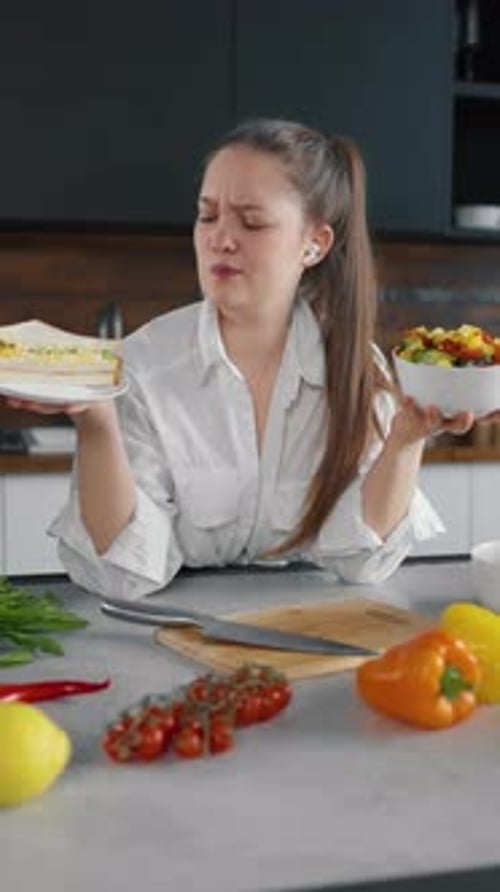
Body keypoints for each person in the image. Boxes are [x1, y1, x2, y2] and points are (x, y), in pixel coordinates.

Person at [7, 118, 474, 598]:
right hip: (172, 627)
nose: (220, 239)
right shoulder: (141, 365)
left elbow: (361, 561)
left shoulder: (356, 366)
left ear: (315, 244)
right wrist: (97, 423)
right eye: (207, 216)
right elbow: (123, 576)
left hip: (310, 625)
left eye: (252, 222)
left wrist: (405, 441)